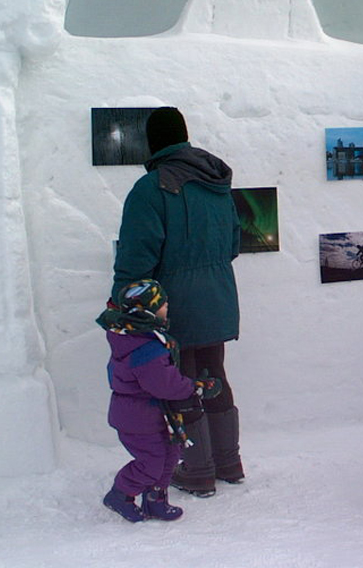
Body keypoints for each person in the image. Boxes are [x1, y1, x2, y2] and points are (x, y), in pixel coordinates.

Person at [112, 106, 243, 499]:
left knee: (181, 382)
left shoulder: (151, 188)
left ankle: (198, 470)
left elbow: (136, 257)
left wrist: (124, 301)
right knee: (213, 373)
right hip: (218, 296)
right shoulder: (216, 181)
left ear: (152, 143)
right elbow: (233, 244)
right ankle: (228, 462)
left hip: (172, 305)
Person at [97, 279, 221, 523]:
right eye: (162, 304)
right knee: (151, 461)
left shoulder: (143, 339)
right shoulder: (144, 350)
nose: (167, 307)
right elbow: (165, 384)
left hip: (155, 415)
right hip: (137, 419)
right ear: (147, 311)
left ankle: (155, 500)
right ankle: (120, 495)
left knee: (170, 455)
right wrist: (197, 388)